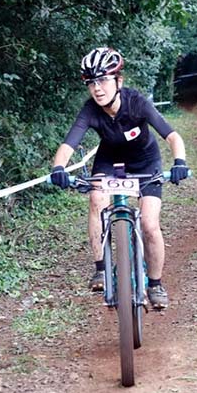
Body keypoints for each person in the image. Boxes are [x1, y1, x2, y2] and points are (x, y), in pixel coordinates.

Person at [50, 47, 189, 310]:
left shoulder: (136, 102)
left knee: (149, 224)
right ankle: (101, 269)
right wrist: (59, 167)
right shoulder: (91, 109)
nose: (97, 88)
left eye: (102, 80)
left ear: (119, 81)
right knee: (96, 198)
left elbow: (171, 135)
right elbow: (69, 143)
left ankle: (156, 284)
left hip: (146, 162)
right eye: (91, 82)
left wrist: (180, 162)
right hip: (110, 161)